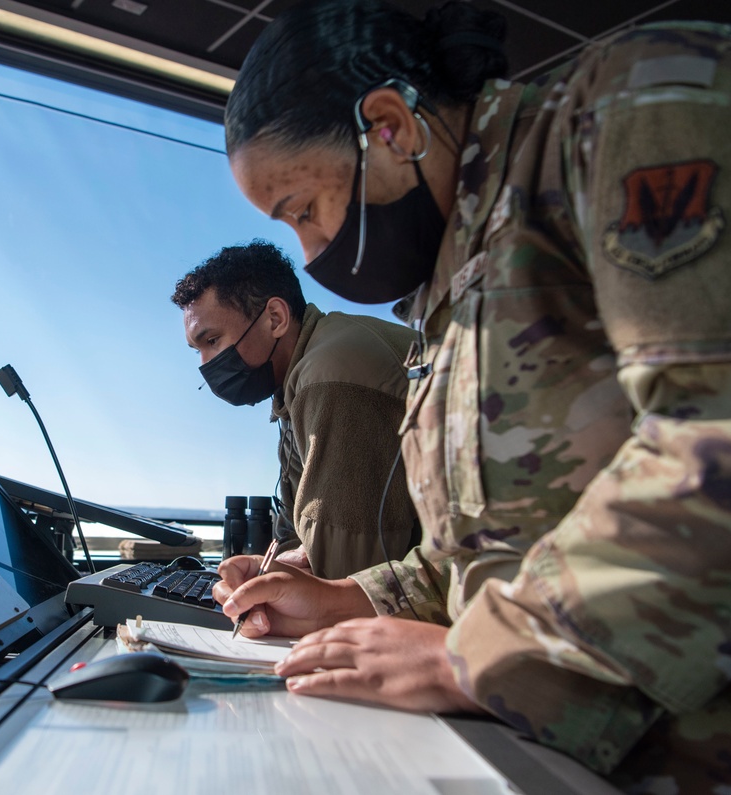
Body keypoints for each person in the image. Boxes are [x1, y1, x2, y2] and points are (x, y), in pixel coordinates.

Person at [211, 1, 731, 791]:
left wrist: (474, 659)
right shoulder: (452, 283)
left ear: (389, 125)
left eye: (304, 213)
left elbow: (711, 437)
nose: (311, 255)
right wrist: (344, 598)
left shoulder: (630, 109)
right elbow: (480, 551)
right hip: (554, 744)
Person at [172, 239, 419, 578]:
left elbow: (345, 573)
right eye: (196, 350)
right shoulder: (297, 382)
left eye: (212, 341)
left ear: (275, 318)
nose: (205, 364)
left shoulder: (331, 375)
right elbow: (296, 540)